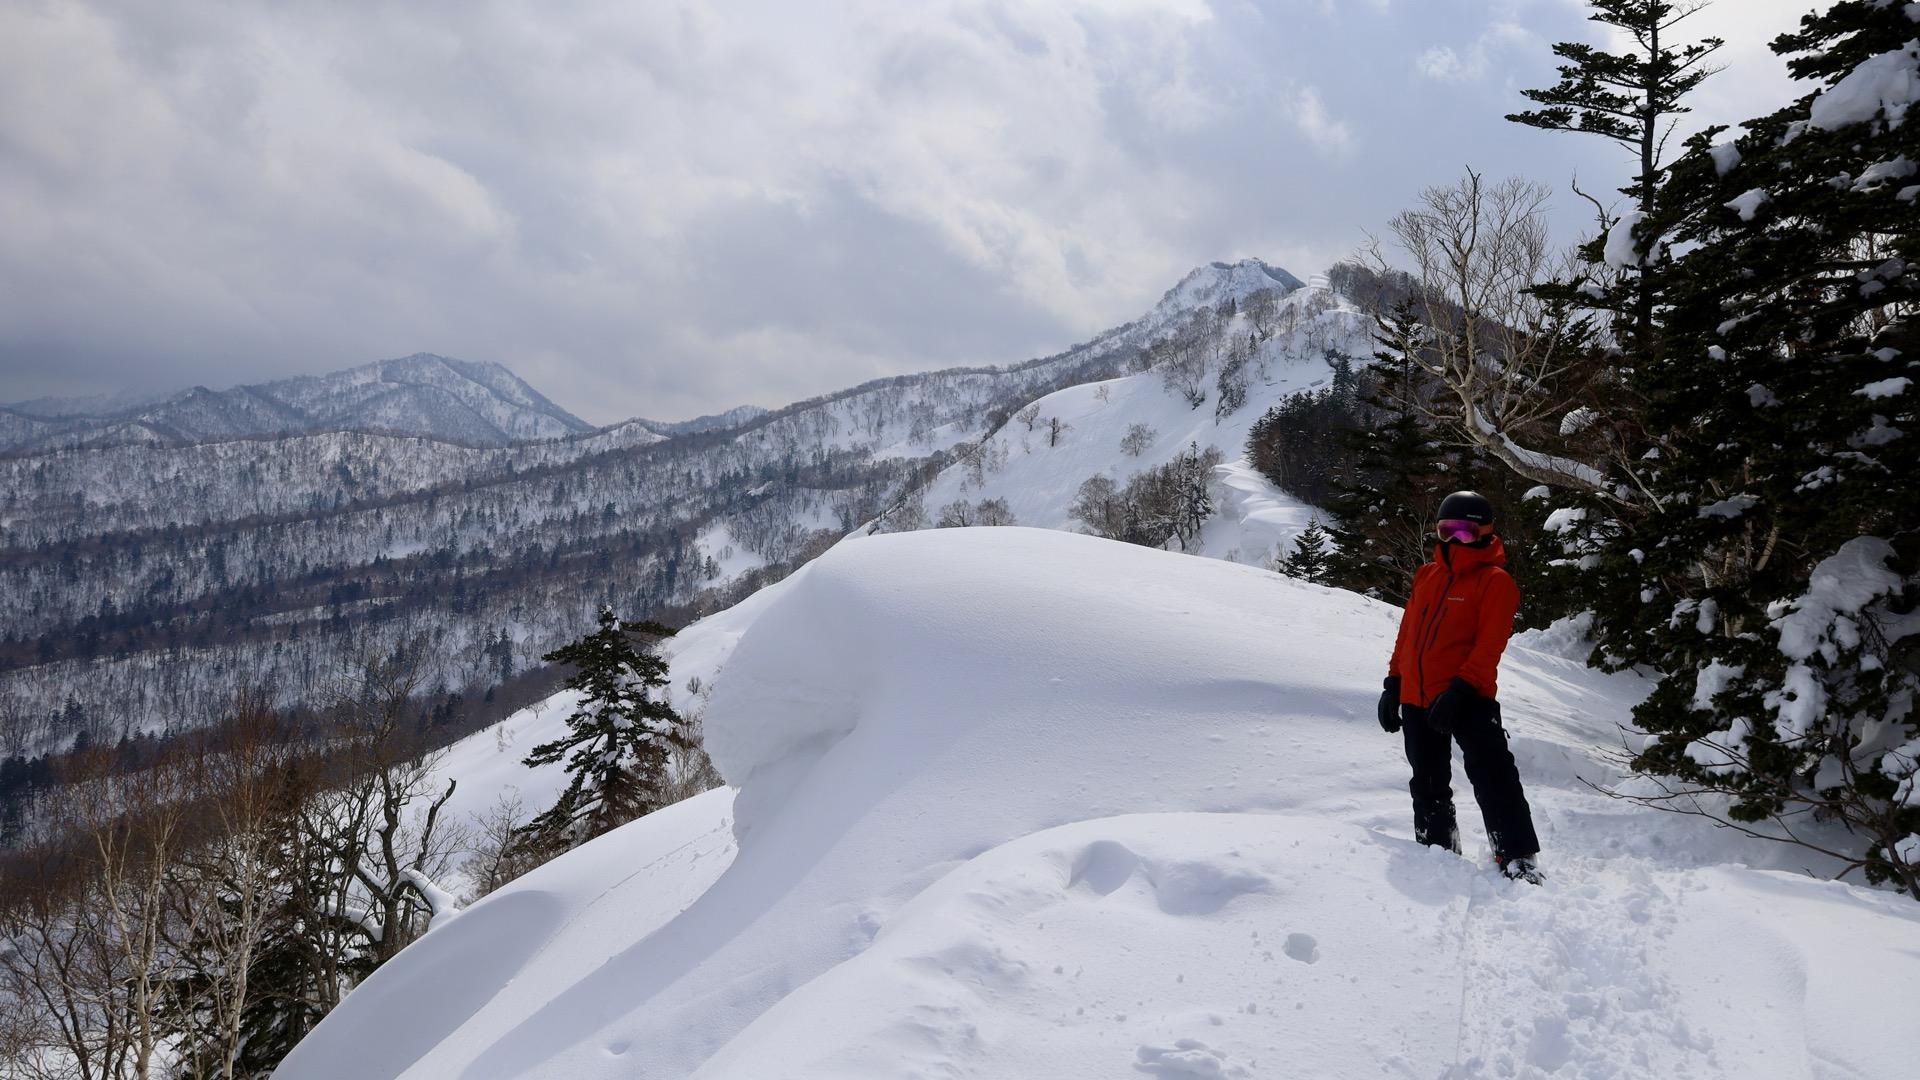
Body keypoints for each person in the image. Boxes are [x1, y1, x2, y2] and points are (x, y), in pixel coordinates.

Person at [1376, 491, 1542, 884]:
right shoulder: (1426, 575)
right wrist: (1393, 683)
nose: (1453, 540)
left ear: (1484, 533)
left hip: (1468, 697)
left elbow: (1490, 645)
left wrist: (1462, 689)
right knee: (1427, 780)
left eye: (1464, 533)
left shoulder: (1495, 582)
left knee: (1493, 776)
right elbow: (1408, 635)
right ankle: (1437, 851)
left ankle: (1517, 856)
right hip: (1417, 697)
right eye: (1446, 531)